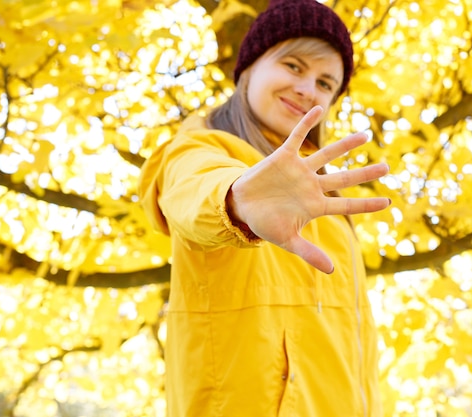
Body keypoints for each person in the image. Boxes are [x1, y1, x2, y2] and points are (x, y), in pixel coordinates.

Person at [139, 0, 390, 415]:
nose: (308, 88)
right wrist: (235, 200)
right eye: (294, 66)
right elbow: (192, 189)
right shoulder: (203, 147)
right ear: (250, 67)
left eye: (326, 83)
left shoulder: (321, 193)